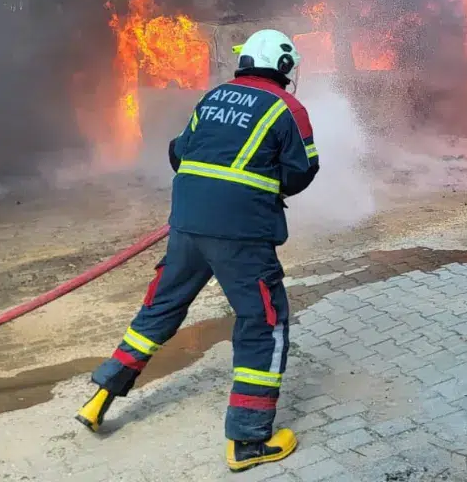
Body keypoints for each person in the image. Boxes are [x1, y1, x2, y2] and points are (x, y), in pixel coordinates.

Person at [76, 29, 319, 473]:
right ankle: (248, 442)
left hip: (187, 225)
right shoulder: (289, 108)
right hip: (241, 234)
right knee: (265, 322)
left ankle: (100, 398)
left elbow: (177, 152)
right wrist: (260, 188)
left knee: (160, 310)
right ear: (283, 66)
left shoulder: (213, 98)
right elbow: (303, 172)